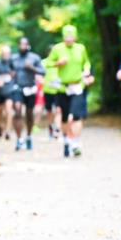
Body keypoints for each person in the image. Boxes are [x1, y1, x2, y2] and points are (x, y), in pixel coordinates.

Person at [47, 25, 95, 157]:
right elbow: (46, 63)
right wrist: (58, 63)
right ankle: (67, 140)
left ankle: (76, 142)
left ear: (75, 36)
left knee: (75, 116)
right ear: (63, 37)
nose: (69, 39)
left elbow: (87, 63)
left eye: (71, 36)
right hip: (63, 87)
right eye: (66, 37)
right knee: (64, 117)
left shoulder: (81, 48)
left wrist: (86, 70)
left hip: (78, 86)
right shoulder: (57, 49)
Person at [10, 36, 45, 151]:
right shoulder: (13, 58)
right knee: (17, 111)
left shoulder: (34, 58)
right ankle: (19, 139)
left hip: (30, 88)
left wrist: (32, 68)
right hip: (18, 88)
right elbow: (9, 71)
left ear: (28, 45)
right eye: (20, 44)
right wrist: (11, 75)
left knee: (29, 114)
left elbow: (43, 72)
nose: (22, 46)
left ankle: (29, 136)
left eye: (25, 44)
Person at [0, 44, 16, 141]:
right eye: (4, 53)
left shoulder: (12, 63)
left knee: (9, 110)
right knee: (0, 111)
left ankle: (8, 131)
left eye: (8, 53)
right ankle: (0, 125)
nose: (6, 55)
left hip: (10, 90)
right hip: (0, 91)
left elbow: (16, 73)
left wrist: (13, 75)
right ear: (1, 54)